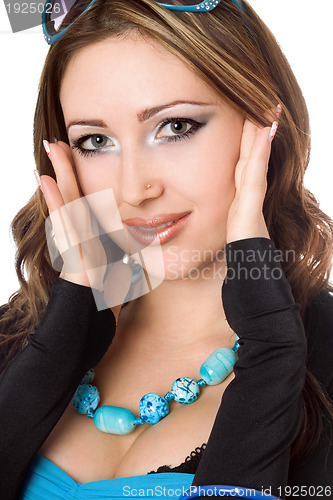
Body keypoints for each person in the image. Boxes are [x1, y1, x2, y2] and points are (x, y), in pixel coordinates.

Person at [0, 0, 332, 499]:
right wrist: (59, 337)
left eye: (175, 127)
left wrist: (274, 354)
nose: (134, 189)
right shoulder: (17, 337)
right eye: (95, 141)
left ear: (264, 126)